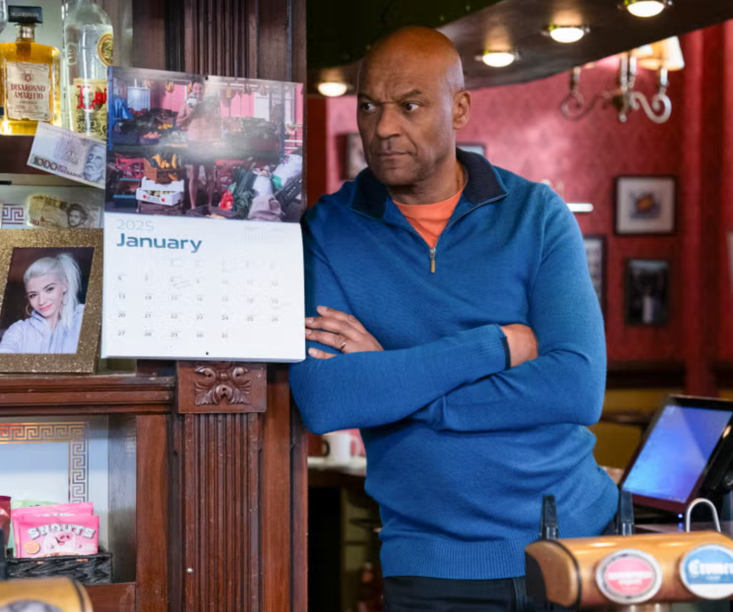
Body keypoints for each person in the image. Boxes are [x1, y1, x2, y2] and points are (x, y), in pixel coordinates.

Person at [289, 27, 616, 611]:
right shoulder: (329, 231)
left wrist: (394, 381)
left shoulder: (536, 215)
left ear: (459, 107)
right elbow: (328, 397)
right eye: (369, 106)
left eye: (410, 105)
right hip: (432, 565)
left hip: (573, 542)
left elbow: (576, 384)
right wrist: (493, 346)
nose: (384, 127)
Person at [0, 253, 85, 354]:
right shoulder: (19, 330)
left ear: (65, 285)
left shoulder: (84, 319)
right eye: (33, 295)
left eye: (49, 289)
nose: (41, 301)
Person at [178, 77, 221, 211]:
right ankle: (193, 206)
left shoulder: (210, 104)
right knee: (193, 175)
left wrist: (212, 117)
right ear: (192, 88)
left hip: (208, 143)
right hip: (194, 143)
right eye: (195, 88)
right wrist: (190, 115)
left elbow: (217, 123)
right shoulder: (186, 104)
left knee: (210, 176)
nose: (198, 91)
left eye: (200, 88)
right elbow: (179, 124)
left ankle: (209, 205)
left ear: (204, 89)